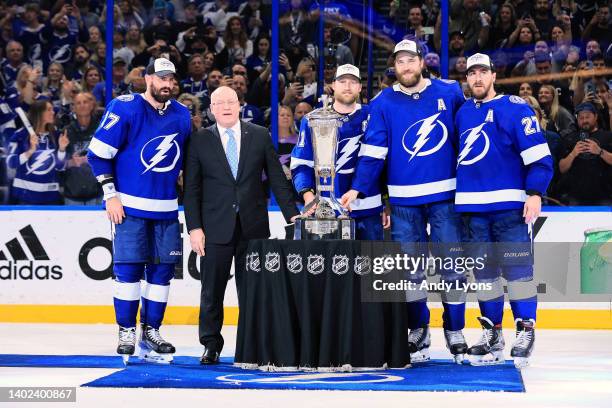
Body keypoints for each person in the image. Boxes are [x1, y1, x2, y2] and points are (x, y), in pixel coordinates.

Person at [341, 40, 467, 363]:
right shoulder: (383, 102)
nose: (406, 67)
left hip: (445, 198)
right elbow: (374, 152)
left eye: (411, 60)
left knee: (451, 267)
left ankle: (454, 330)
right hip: (403, 202)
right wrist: (358, 188)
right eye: (400, 62)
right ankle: (418, 328)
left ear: (422, 62)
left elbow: (466, 136)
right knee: (410, 273)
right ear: (394, 67)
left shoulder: (450, 92)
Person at [183, 86, 299, 365]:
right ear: (211, 108)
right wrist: (194, 227)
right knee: (212, 290)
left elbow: (277, 180)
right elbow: (192, 189)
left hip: (253, 227)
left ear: (239, 105)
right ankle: (211, 344)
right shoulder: (199, 140)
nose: (225, 106)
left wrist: (292, 216)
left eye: (230, 101)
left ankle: (252, 344)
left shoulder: (259, 135)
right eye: (219, 102)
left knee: (253, 291)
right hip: (214, 228)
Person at [87, 58, 191, 364]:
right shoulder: (125, 107)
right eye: (161, 78)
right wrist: (110, 195)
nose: (167, 84)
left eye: (171, 79)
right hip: (129, 207)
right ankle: (126, 330)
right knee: (129, 271)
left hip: (167, 210)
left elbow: (187, 162)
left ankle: (152, 330)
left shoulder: (182, 115)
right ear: (147, 79)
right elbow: (98, 154)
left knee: (161, 275)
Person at [454, 53, 553, 368]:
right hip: (472, 210)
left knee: (518, 272)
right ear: (467, 79)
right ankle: (492, 333)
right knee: (484, 276)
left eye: (483, 72)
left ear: (494, 76)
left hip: (509, 209)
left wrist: (535, 192)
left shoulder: (515, 108)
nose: (478, 78)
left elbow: (539, 156)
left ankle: (525, 331)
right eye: (472, 73)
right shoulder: (461, 113)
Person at [291, 64, 387, 240]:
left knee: (370, 265)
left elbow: (378, 160)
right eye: (342, 81)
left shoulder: (372, 115)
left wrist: (385, 203)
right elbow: (301, 163)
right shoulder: (313, 119)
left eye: (353, 82)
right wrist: (308, 196)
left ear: (360, 88)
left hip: (367, 207)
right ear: (333, 85)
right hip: (326, 210)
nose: (347, 86)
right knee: (330, 266)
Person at [6, 100, 69, 204]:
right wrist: (30, 151)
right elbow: (11, 163)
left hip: (50, 196)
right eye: (49, 109)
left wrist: (62, 149)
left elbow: (60, 167)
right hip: (23, 196)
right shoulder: (21, 135)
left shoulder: (56, 135)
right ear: (39, 113)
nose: (53, 112)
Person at [558, 102, 612, 205]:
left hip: (604, 194)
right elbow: (562, 168)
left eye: (587, 117)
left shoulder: (608, 136)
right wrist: (573, 154)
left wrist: (600, 151)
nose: (584, 120)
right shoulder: (569, 138)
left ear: (595, 117)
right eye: (581, 118)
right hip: (575, 195)